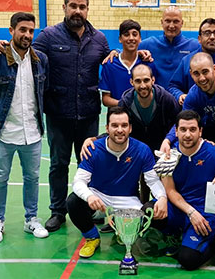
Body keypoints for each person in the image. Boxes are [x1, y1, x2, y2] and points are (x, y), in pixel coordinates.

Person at [0, 12, 50, 244]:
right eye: (22, 30)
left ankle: (31, 219)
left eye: (30, 30)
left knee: (32, 178)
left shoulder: (40, 60)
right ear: (11, 31)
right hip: (4, 133)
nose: (27, 35)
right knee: (0, 178)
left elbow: (42, 94)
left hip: (33, 133)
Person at [65, 107, 168, 258]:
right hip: (99, 196)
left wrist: (162, 198)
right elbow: (79, 181)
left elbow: (152, 180)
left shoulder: (142, 150)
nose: (120, 130)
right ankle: (92, 237)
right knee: (73, 202)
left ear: (130, 128)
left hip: (128, 201)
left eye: (124, 125)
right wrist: (89, 197)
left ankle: (124, 230)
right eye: (114, 125)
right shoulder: (93, 149)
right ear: (107, 128)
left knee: (158, 212)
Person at [81, 64, 181, 202]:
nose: (143, 85)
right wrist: (93, 139)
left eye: (146, 80)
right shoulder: (125, 103)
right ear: (131, 82)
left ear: (153, 80)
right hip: (137, 148)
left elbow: (179, 123)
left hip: (163, 145)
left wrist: (168, 140)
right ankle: (138, 203)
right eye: (138, 81)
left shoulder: (166, 99)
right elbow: (115, 130)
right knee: (137, 175)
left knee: (162, 183)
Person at [154, 110, 215, 270]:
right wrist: (191, 213)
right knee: (151, 210)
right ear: (176, 131)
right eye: (183, 129)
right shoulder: (169, 155)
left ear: (200, 131)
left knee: (188, 259)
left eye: (192, 129)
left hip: (206, 212)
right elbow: (170, 191)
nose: (187, 134)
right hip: (182, 209)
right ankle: (175, 235)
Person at [168, 18, 215, 104]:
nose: (212, 37)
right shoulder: (187, 61)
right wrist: (179, 95)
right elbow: (173, 86)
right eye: (207, 33)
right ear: (199, 38)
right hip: (196, 112)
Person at [137, 6, 201, 88]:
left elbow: (213, 55)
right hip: (156, 99)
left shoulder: (194, 46)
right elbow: (127, 55)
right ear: (162, 22)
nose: (171, 26)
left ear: (182, 23)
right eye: (167, 21)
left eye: (176, 21)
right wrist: (115, 52)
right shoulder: (147, 44)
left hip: (182, 98)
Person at [99, 19, 158, 107]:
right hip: (117, 117)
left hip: (142, 118)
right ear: (120, 39)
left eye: (134, 34)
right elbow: (105, 99)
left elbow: (153, 94)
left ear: (140, 38)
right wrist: (125, 105)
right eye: (126, 35)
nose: (131, 38)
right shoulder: (110, 64)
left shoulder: (148, 63)